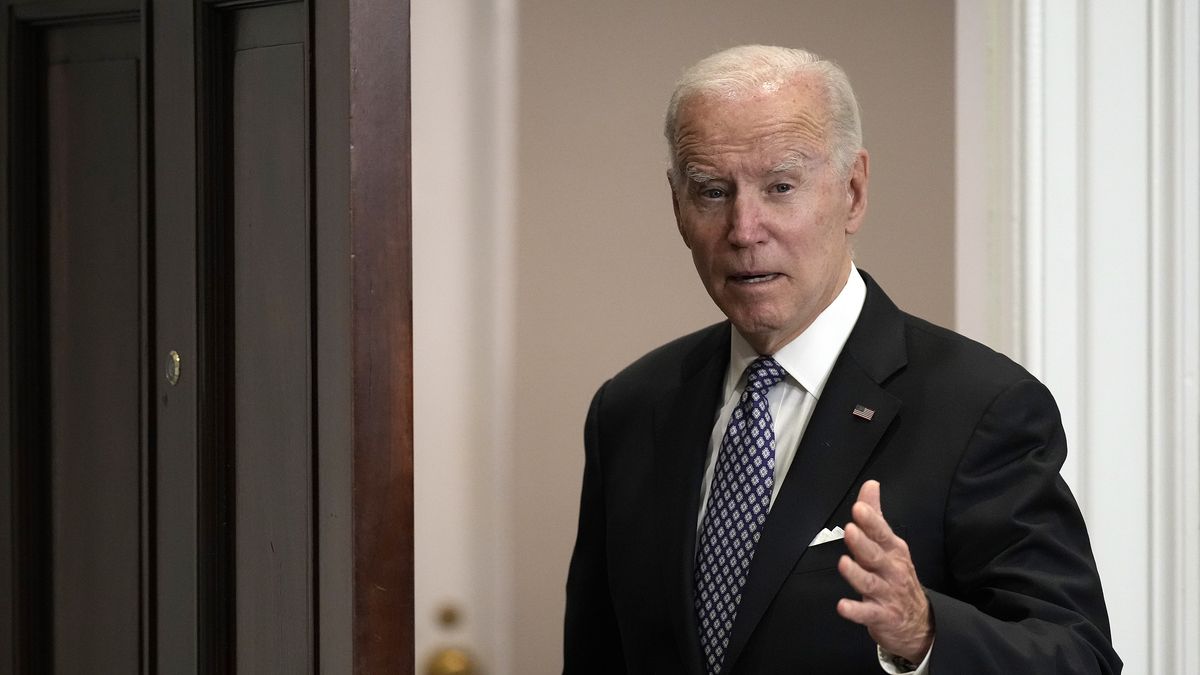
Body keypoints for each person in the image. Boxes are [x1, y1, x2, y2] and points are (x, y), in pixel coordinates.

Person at [563, 45, 1121, 674]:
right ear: (677, 207)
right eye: (713, 192)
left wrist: (925, 633)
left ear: (852, 192)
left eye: (781, 187)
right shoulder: (632, 409)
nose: (745, 229)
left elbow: (1079, 658)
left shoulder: (981, 409)